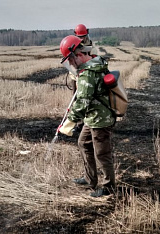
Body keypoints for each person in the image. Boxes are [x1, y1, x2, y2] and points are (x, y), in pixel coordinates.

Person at [58, 35, 116, 197]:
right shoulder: (96, 63)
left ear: (79, 55)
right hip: (93, 117)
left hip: (100, 120)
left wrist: (69, 123)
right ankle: (90, 178)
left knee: (102, 153)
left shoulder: (87, 74)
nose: (70, 63)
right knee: (83, 143)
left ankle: (108, 187)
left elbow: (82, 101)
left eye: (70, 59)